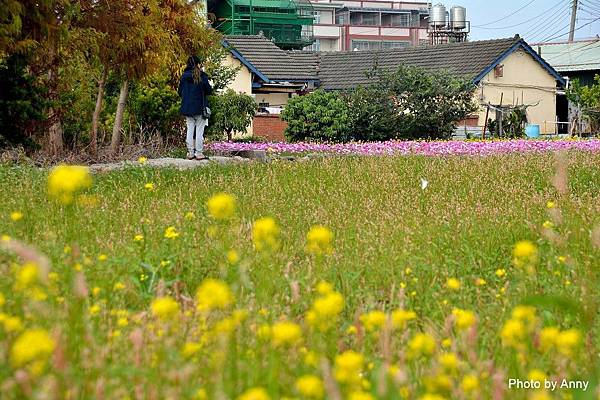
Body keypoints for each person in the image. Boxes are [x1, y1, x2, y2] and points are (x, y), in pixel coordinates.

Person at [178, 55, 212, 160]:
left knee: (190, 129)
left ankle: (190, 153)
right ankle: (199, 153)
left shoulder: (184, 76)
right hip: (200, 108)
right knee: (199, 131)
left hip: (187, 108)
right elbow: (209, 91)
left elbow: (179, 92)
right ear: (198, 64)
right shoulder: (202, 76)